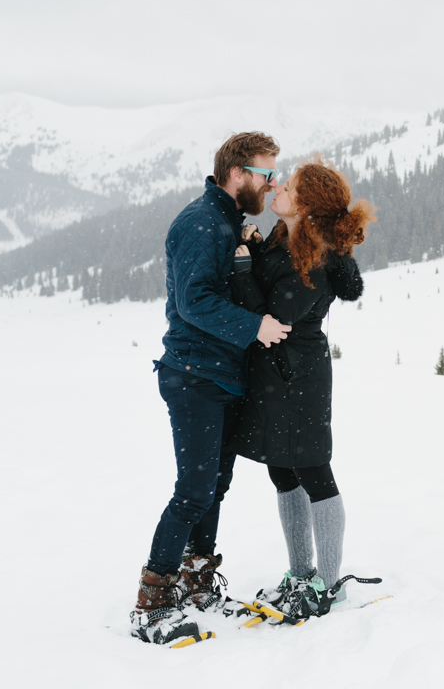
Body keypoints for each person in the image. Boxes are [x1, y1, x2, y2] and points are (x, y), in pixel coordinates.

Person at [131, 132, 293, 646]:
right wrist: (255, 326)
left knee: (214, 487)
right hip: (194, 375)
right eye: (267, 174)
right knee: (193, 490)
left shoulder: (225, 221)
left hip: (221, 376)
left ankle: (197, 583)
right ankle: (152, 601)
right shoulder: (201, 222)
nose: (272, 185)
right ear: (238, 172)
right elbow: (194, 301)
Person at [227, 159, 375, 619]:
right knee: (282, 470)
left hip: (299, 378)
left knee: (313, 472)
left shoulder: (321, 257)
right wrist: (253, 249)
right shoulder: (288, 238)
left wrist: (239, 266)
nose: (278, 188)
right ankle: (300, 573)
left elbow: (273, 314)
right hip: (273, 374)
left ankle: (329, 584)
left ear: (306, 207)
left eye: (288, 187)